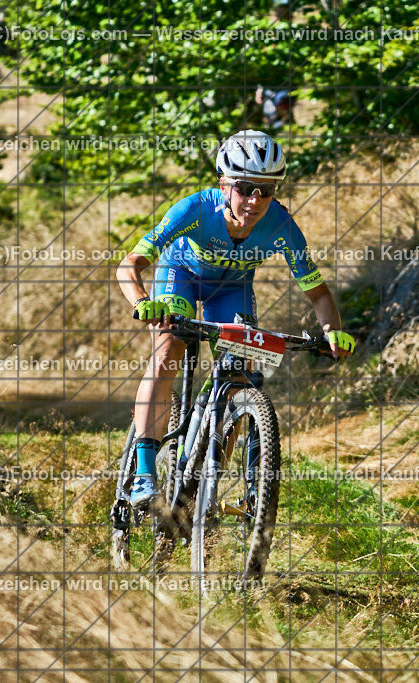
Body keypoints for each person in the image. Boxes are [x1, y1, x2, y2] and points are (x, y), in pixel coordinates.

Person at [116, 130, 356, 509]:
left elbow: (318, 293)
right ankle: (144, 474)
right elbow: (129, 264)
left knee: (240, 376)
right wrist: (143, 301)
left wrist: (332, 332)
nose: (255, 200)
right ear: (224, 185)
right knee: (167, 352)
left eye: (266, 190)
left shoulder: (282, 226)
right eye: (245, 188)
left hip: (232, 289)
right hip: (180, 277)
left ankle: (202, 487)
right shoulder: (194, 210)